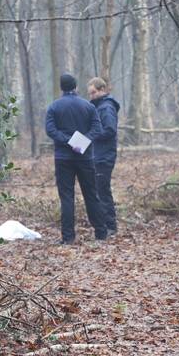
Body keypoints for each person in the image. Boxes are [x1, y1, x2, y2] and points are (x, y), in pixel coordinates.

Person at [44, 73, 107, 244]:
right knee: (91, 194)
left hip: (63, 158)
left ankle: (68, 237)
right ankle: (101, 232)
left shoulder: (54, 107)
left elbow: (50, 130)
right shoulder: (88, 106)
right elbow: (97, 128)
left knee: (66, 197)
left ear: (61, 88)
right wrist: (81, 142)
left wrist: (67, 141)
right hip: (85, 157)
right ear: (76, 87)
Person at [87, 77, 120, 237]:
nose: (91, 96)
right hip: (98, 155)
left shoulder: (106, 108)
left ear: (102, 90)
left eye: (93, 92)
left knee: (102, 191)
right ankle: (106, 224)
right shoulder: (99, 107)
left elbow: (109, 130)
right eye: (90, 93)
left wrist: (91, 135)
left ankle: (110, 226)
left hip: (104, 156)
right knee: (99, 190)